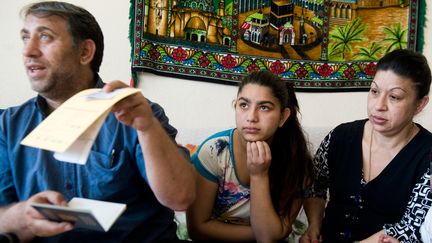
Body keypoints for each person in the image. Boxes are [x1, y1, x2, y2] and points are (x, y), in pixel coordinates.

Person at [0, 1, 195, 242]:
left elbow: (181, 198)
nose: (28, 51)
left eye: (45, 37)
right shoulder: (7, 126)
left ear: (85, 52)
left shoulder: (138, 114)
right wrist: (21, 215)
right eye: (25, 38)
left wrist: (147, 128)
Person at [300, 49, 432, 243]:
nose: (379, 105)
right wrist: (314, 225)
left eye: (394, 97)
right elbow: (315, 186)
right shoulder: (340, 137)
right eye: (374, 91)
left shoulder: (427, 155)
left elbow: (410, 228)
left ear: (420, 104)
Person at [186, 70, 313, 242]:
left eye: (264, 107)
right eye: (244, 105)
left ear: (283, 117)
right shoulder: (214, 151)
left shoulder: (296, 163)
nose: (251, 117)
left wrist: (259, 175)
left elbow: (270, 238)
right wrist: (266, 232)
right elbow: (197, 229)